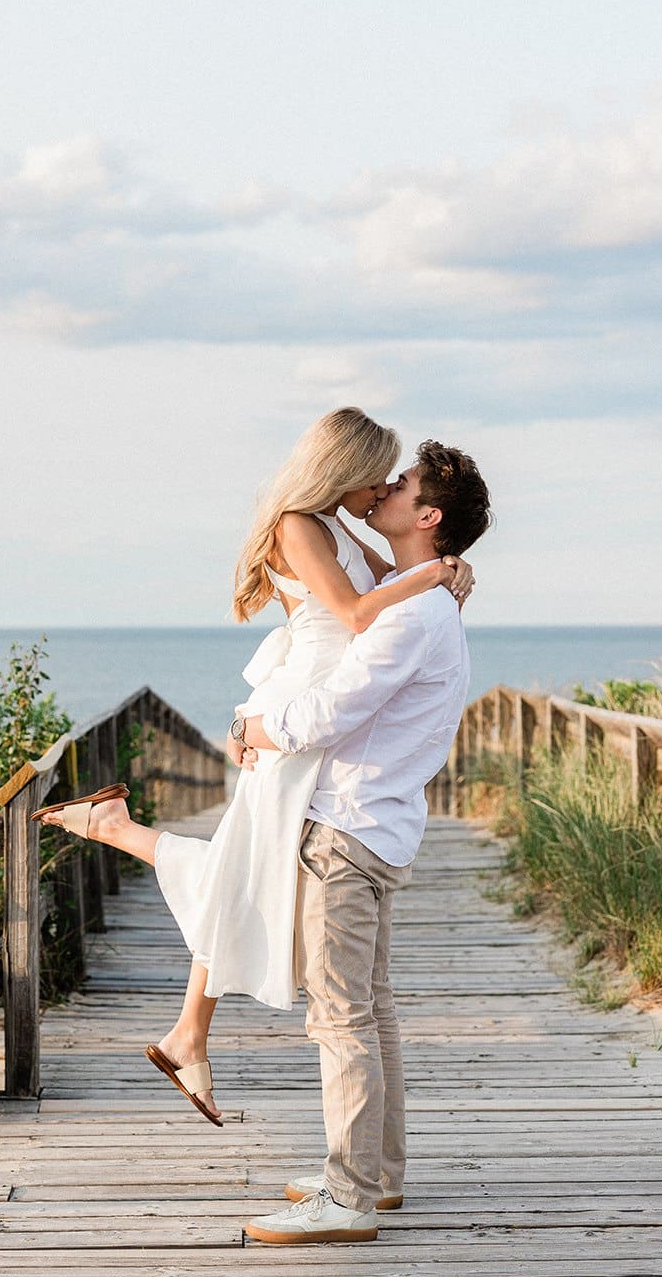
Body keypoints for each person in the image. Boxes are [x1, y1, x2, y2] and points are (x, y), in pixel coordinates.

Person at [34, 408, 475, 1127]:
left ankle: (185, 1027)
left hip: (317, 717)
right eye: (377, 477)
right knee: (243, 868)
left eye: (392, 482)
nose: (380, 490)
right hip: (298, 715)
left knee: (242, 868)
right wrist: (436, 574)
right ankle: (125, 859)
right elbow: (357, 613)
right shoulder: (297, 525)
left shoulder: (337, 526)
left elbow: (392, 580)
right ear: (344, 468)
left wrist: (441, 568)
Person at [235, 438, 492, 1244]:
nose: (383, 488)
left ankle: (346, 1197)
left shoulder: (410, 614)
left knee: (341, 1017)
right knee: (369, 1009)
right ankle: (376, 1176)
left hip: (347, 830)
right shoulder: (421, 602)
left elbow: (328, 710)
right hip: (378, 825)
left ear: (427, 516)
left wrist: (250, 727)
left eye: (401, 484)